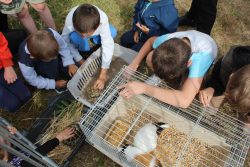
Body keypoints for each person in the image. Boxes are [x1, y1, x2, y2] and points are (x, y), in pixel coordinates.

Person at [118, 30, 217, 108]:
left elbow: (184, 101)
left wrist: (144, 88)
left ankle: (181, 78)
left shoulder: (199, 60)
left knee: (186, 88)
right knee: (150, 57)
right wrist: (135, 63)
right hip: (188, 47)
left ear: (188, 64)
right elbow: (150, 41)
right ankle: (164, 73)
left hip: (206, 51)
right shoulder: (168, 39)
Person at [62, 4, 117, 90]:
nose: (84, 36)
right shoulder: (70, 21)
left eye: (87, 34)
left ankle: (95, 40)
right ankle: (84, 49)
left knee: (112, 32)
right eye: (81, 34)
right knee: (75, 38)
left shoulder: (102, 19)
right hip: (78, 34)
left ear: (98, 26)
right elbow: (64, 41)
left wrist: (103, 74)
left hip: (96, 32)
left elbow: (108, 44)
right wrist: (78, 61)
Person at [199, 46, 250, 124]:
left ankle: (243, 132)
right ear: (231, 75)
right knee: (208, 105)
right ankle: (204, 121)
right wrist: (212, 88)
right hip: (222, 80)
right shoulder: (230, 60)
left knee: (247, 126)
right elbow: (216, 77)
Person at [0, 126, 74, 166]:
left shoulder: (8, 156)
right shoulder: (22, 165)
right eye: (6, 139)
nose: (8, 135)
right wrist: (59, 138)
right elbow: (39, 153)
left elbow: (10, 144)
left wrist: (14, 135)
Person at [0, 32, 31, 112]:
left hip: (2, 67)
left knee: (26, 95)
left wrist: (7, 66)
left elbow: (1, 44)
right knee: (13, 106)